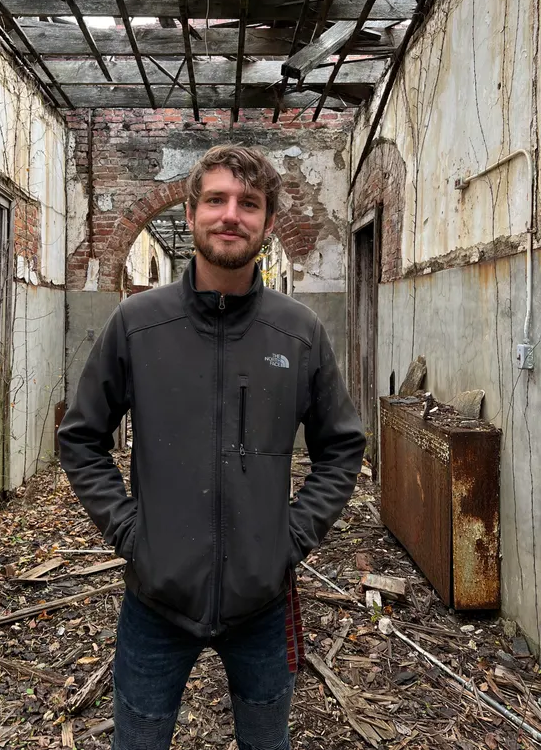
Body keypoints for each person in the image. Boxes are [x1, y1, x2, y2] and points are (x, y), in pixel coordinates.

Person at [58, 145, 366, 750]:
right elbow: (82, 437)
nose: (232, 215)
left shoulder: (299, 332)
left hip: (262, 602)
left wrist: (292, 538)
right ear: (193, 211)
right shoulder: (136, 324)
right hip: (157, 601)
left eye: (249, 204)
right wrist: (129, 532)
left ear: (268, 222)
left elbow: (342, 448)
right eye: (217, 200)